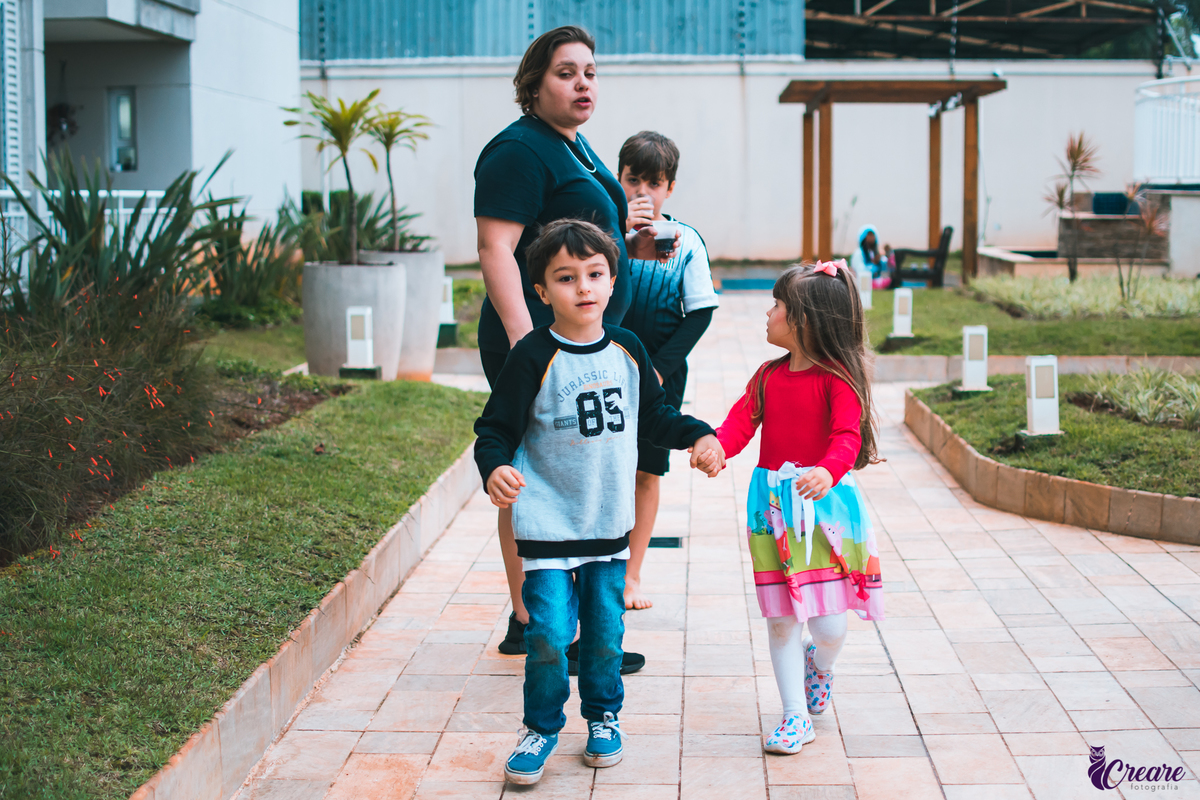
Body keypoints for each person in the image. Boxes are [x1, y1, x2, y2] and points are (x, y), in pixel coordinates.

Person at [473, 219, 723, 785]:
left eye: (594, 274)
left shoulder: (628, 349)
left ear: (613, 281)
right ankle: (540, 727)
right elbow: (494, 428)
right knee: (547, 637)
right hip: (546, 527)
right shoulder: (532, 355)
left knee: (606, 639)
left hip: (608, 529)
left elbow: (655, 416)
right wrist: (495, 468)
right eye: (566, 278)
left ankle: (604, 717)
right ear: (541, 291)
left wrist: (699, 434)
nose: (583, 287)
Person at [474, 25, 678, 664]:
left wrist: (632, 246)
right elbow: (496, 248)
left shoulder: (573, 144)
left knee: (580, 473)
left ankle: (565, 624)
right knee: (532, 474)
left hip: (584, 342)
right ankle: (533, 622)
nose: (583, 83)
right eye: (566, 73)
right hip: (544, 347)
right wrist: (528, 346)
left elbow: (579, 235)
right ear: (533, 85)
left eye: (590, 72)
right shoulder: (517, 150)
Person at [713, 261, 885, 756]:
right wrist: (717, 448)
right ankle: (794, 715)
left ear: (804, 320)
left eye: (777, 306)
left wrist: (828, 471)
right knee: (782, 617)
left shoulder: (838, 380)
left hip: (824, 511)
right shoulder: (767, 376)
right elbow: (739, 423)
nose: (768, 314)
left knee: (830, 627)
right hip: (771, 509)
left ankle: (820, 663)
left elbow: (847, 437)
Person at [617, 131, 719, 610]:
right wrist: (619, 234)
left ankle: (631, 575)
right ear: (618, 179)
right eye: (633, 180)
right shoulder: (603, 233)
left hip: (660, 374)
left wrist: (658, 370)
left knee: (646, 470)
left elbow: (699, 312)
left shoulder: (686, 241)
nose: (643, 192)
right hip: (606, 365)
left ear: (670, 188)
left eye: (654, 183)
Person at [849, 225, 892, 290]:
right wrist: (874, 265)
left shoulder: (873, 252)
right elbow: (861, 271)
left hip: (875, 280)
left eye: (873, 235)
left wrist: (881, 261)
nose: (872, 237)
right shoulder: (858, 253)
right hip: (861, 281)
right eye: (869, 235)